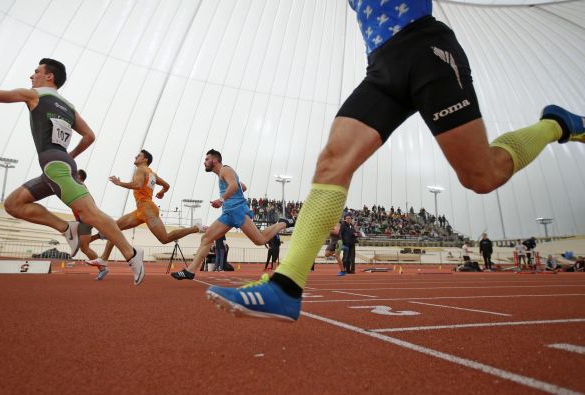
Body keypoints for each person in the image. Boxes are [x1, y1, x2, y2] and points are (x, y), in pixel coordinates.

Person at [204, 1, 585, 321]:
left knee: (483, 175)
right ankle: (286, 286)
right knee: (333, 160)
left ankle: (555, 125)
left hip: (428, 50)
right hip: (383, 67)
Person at [0, 59, 145, 285]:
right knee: (13, 204)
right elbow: (90, 136)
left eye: (36, 71)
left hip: (55, 165)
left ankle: (131, 254)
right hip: (57, 165)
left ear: (49, 77)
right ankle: (67, 228)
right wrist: (70, 156)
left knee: (90, 213)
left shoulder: (34, 95)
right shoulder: (68, 107)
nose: (31, 76)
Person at [170, 149, 293, 280]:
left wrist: (221, 200)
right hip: (228, 213)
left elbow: (234, 186)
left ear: (215, 160)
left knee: (260, 240)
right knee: (206, 238)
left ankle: (283, 222)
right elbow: (242, 187)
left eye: (207, 159)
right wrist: (233, 192)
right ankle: (190, 271)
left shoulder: (225, 170)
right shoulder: (223, 175)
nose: (204, 162)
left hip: (237, 211)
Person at [95, 150, 204, 265]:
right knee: (114, 228)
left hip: (147, 209)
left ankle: (195, 228)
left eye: (139, 156)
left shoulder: (141, 169)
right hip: (141, 209)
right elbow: (166, 185)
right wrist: (162, 192)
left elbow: (137, 185)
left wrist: (119, 183)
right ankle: (103, 258)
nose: (135, 157)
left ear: (145, 159)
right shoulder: (152, 173)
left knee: (164, 238)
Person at [72, 169, 109, 280]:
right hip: (83, 219)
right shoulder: (81, 187)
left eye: (75, 175)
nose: (72, 177)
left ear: (79, 176)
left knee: (84, 248)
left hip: (84, 219)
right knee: (82, 245)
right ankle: (99, 236)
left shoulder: (79, 185)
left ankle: (102, 269)